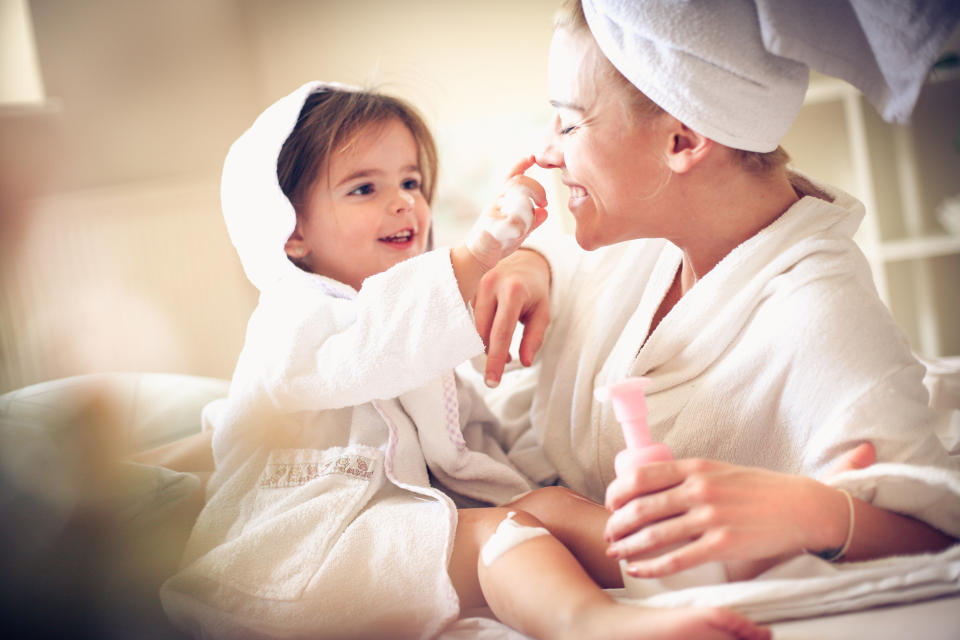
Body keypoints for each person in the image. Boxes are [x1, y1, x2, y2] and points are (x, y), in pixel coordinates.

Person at [158, 82, 771, 640]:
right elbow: (375, 349)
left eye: (411, 183)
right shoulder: (293, 322)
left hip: (384, 524)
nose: (403, 204)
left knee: (545, 510)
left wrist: (532, 477)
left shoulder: (402, 321)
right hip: (301, 552)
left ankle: (716, 558)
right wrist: (481, 251)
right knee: (501, 535)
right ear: (291, 233)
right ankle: (593, 625)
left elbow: (464, 440)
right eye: (365, 188)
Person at [473, 0, 960, 585]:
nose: (547, 153)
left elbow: (940, 536)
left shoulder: (819, 316)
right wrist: (529, 262)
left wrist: (819, 514)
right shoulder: (646, 237)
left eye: (570, 123)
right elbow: (565, 256)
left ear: (682, 140)